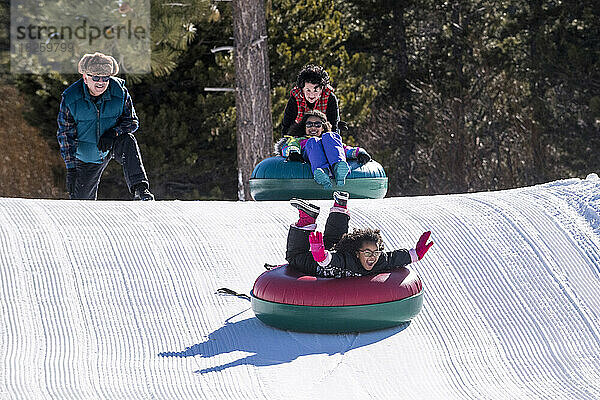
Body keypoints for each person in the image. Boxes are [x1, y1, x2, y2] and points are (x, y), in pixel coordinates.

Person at [57, 52, 154, 200]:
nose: (101, 82)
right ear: (85, 77)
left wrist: (113, 133)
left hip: (110, 144)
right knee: (82, 203)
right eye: (95, 77)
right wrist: (71, 168)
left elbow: (132, 121)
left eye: (106, 78)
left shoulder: (120, 93)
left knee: (128, 140)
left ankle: (141, 191)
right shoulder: (71, 98)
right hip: (86, 156)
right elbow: (65, 135)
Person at [285, 191, 433, 278]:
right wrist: (321, 257)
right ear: (357, 254)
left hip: (326, 255)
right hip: (316, 264)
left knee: (335, 240)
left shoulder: (378, 259)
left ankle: (340, 205)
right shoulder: (347, 260)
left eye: (376, 252)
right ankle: (307, 220)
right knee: (294, 257)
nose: (373, 257)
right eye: (368, 252)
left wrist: (416, 254)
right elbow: (335, 260)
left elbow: (393, 258)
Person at [275, 110, 372, 189]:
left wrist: (359, 152)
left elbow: (342, 149)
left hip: (331, 153)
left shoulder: (328, 139)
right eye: (309, 124)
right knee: (313, 141)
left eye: (317, 124)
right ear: (304, 127)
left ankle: (339, 167)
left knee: (331, 136)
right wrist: (293, 152)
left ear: (323, 127)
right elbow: (289, 147)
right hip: (309, 152)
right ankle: (323, 172)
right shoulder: (299, 139)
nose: (313, 127)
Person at [281, 64, 339, 136]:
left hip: (322, 134)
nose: (311, 95)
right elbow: (287, 125)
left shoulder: (330, 98)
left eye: (315, 91)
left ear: (321, 90)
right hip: (300, 135)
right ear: (302, 89)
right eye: (308, 90)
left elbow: (334, 125)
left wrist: (332, 142)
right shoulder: (295, 98)